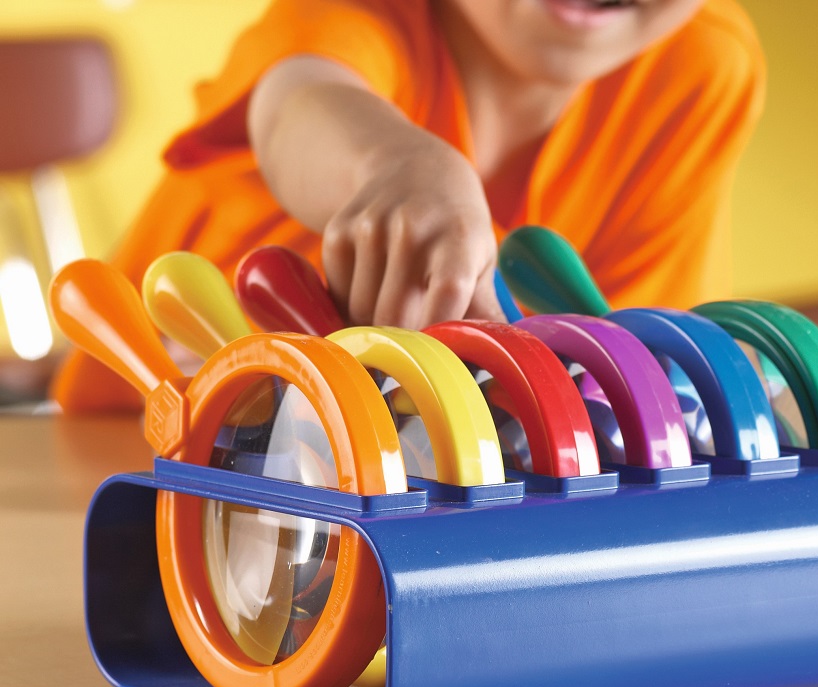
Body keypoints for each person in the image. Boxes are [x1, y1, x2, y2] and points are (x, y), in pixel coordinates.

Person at [51, 0, 765, 411]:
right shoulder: (357, 14)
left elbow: (626, 381)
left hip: (422, 502)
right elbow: (295, 102)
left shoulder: (700, 68)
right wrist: (395, 163)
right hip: (130, 458)